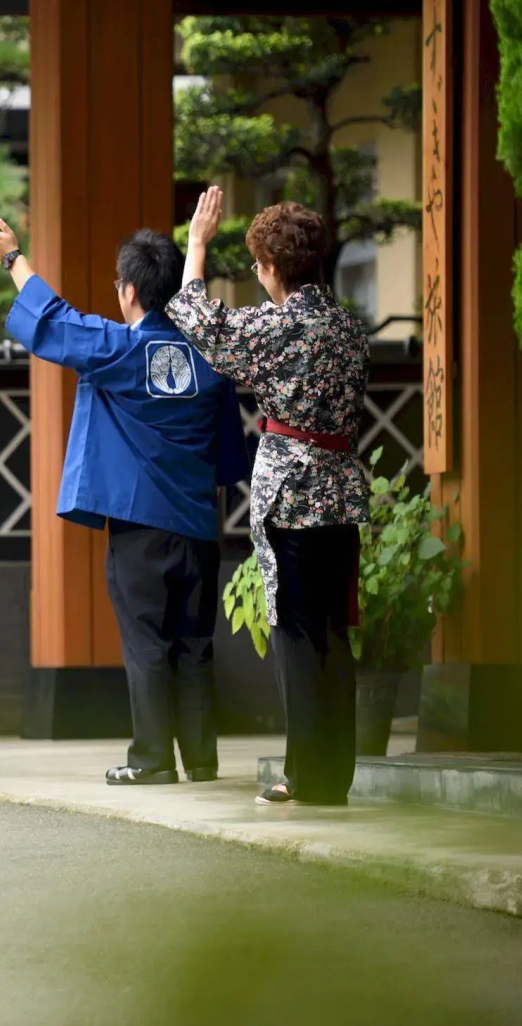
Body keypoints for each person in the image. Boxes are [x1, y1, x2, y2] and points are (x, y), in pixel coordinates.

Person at [0, 219, 247, 786]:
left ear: (128, 290)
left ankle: (150, 761)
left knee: (146, 644)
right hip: (198, 526)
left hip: (140, 528)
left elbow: (54, 321)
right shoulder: (211, 362)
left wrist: (12, 259)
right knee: (194, 646)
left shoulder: (120, 349)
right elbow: (227, 453)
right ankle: (200, 760)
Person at [167, 187, 370, 806]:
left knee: (299, 638)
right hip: (340, 490)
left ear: (275, 269)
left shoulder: (278, 327)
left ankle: (306, 777)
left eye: (258, 266)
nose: (258, 277)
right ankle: (332, 773)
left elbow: (196, 317)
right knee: (334, 633)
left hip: (292, 496)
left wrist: (197, 244)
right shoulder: (349, 328)